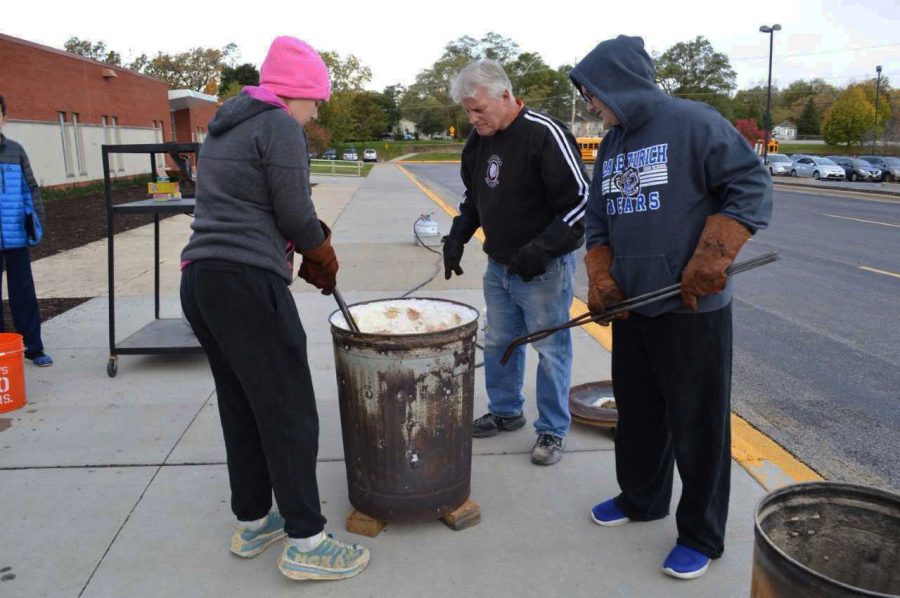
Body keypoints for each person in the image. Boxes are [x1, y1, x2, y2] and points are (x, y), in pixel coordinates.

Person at [570, 36, 772, 579]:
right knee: (637, 414)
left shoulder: (693, 121)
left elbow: (749, 185)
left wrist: (714, 254)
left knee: (698, 424)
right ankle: (641, 498)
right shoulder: (612, 143)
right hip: (634, 308)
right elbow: (597, 220)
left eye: (593, 92)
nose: (591, 103)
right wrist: (601, 276)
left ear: (619, 82)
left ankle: (701, 535)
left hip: (692, 308)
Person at [179, 36, 369, 582]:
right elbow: (294, 210)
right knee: (288, 410)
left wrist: (305, 243)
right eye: (315, 102)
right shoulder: (279, 123)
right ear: (297, 93)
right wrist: (320, 250)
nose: (315, 115)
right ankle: (308, 539)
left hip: (201, 282)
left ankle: (254, 520)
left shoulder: (225, 124)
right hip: (246, 282)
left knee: (242, 406)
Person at [443, 59, 588, 466]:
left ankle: (552, 430)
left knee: (550, 348)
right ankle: (506, 411)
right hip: (500, 266)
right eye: (468, 111)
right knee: (499, 341)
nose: (473, 119)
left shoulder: (544, 135)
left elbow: (580, 203)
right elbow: (475, 200)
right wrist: (457, 237)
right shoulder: (477, 143)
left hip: (544, 270)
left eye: (479, 109)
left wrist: (542, 249)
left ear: (505, 96)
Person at [0, 95, 52, 367]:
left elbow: (31, 189)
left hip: (16, 234)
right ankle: (1, 350)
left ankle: (33, 348)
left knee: (23, 293)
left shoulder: (16, 150)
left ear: (4, 117)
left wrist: (36, 223)